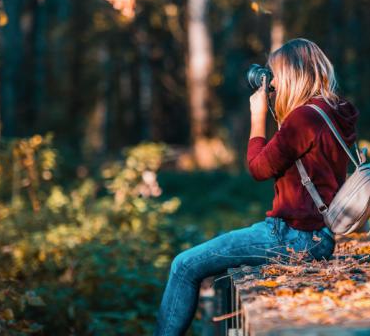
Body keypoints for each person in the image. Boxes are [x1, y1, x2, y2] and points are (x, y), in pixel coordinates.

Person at [154, 38, 359, 335]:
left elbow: (259, 168)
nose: (272, 82)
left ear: (291, 74)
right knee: (207, 264)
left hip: (291, 237)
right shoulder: (335, 111)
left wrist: (258, 117)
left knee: (184, 266)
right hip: (321, 236)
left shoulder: (303, 118)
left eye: (275, 74)